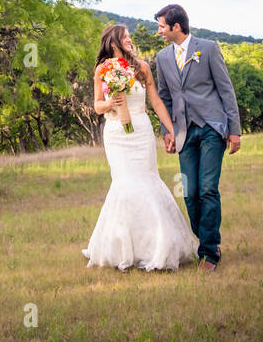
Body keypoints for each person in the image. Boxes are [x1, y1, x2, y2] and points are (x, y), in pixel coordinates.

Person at [82, 22, 198, 272]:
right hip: (116, 133)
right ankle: (123, 249)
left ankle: (157, 247)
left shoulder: (142, 67)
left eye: (129, 37)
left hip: (141, 132)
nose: (129, 40)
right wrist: (112, 102)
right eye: (125, 37)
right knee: (124, 184)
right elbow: (97, 106)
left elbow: (155, 101)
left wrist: (171, 130)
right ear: (114, 42)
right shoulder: (102, 69)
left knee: (146, 181)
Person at [154, 3, 241, 271]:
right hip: (183, 132)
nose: (159, 31)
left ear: (176, 27)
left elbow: (226, 90)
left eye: (161, 26)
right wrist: (167, 132)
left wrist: (234, 130)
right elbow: (164, 97)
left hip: (212, 127)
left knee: (207, 188)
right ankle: (207, 241)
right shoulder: (162, 58)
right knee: (190, 194)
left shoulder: (209, 48)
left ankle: (209, 253)